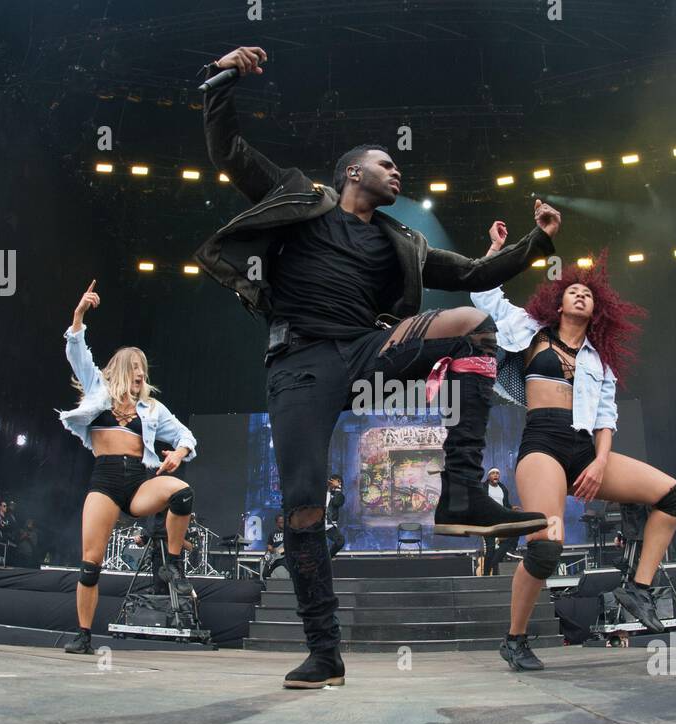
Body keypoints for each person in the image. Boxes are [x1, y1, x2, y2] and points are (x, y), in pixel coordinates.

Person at [194, 45, 558, 689]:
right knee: (303, 506)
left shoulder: (403, 241)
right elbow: (230, 152)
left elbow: (473, 275)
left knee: (474, 322)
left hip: (367, 351)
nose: (397, 173)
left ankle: (462, 490)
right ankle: (324, 651)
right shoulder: (300, 196)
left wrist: (538, 243)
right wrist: (223, 80)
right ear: (351, 172)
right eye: (385, 164)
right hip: (300, 364)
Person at [472, 224, 676, 671]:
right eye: (571, 290)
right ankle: (515, 639)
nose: (580, 295)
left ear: (597, 308)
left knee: (672, 495)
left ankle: (639, 588)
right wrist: (496, 250)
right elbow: (485, 295)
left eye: (587, 293)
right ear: (558, 300)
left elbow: (606, 417)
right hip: (542, 443)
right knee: (546, 546)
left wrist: (600, 463)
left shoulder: (598, 359)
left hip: (586, 448)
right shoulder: (531, 331)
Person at [57, 279, 199, 656]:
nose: (141, 374)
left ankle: (170, 563)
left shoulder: (151, 409)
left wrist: (178, 453)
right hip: (104, 482)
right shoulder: (97, 392)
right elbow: (77, 353)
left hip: (138, 483)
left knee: (181, 493)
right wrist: (79, 315)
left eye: (144, 369)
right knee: (90, 563)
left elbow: (186, 434)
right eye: (135, 368)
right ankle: (83, 635)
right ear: (122, 368)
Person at [482, 469, 511, 576]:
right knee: (490, 549)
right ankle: (485, 575)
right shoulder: (483, 487)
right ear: (489, 476)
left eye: (498, 473)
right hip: (488, 521)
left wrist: (511, 508)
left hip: (501, 521)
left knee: (507, 542)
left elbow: (506, 504)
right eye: (493, 473)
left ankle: (495, 572)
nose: (496, 475)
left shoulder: (503, 488)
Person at [326, 474, 346, 558]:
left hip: (329, 526)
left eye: (338, 482)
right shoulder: (321, 492)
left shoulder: (339, 495)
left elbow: (336, 503)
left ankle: (329, 557)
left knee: (340, 541)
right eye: (333, 480)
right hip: (317, 524)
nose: (334, 483)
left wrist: (337, 488)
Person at [262, 514, 286, 579]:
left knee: (293, 572)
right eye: (280, 522)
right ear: (276, 523)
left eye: (283, 522)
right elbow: (269, 544)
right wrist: (270, 548)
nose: (282, 524)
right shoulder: (272, 532)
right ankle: (266, 587)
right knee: (265, 574)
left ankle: (293, 588)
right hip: (273, 557)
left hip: (284, 557)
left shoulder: (288, 533)